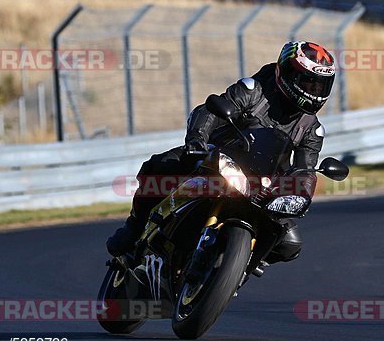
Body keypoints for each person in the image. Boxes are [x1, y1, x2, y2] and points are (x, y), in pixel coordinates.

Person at [106, 40, 336, 264]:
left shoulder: (312, 131)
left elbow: (305, 170)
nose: (314, 92)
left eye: (319, 86)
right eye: (307, 83)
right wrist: (197, 141)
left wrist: (301, 195)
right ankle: (134, 228)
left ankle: (238, 267)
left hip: (263, 186)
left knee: (289, 244)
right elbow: (209, 111)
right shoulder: (253, 90)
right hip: (217, 158)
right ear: (287, 74)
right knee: (159, 167)